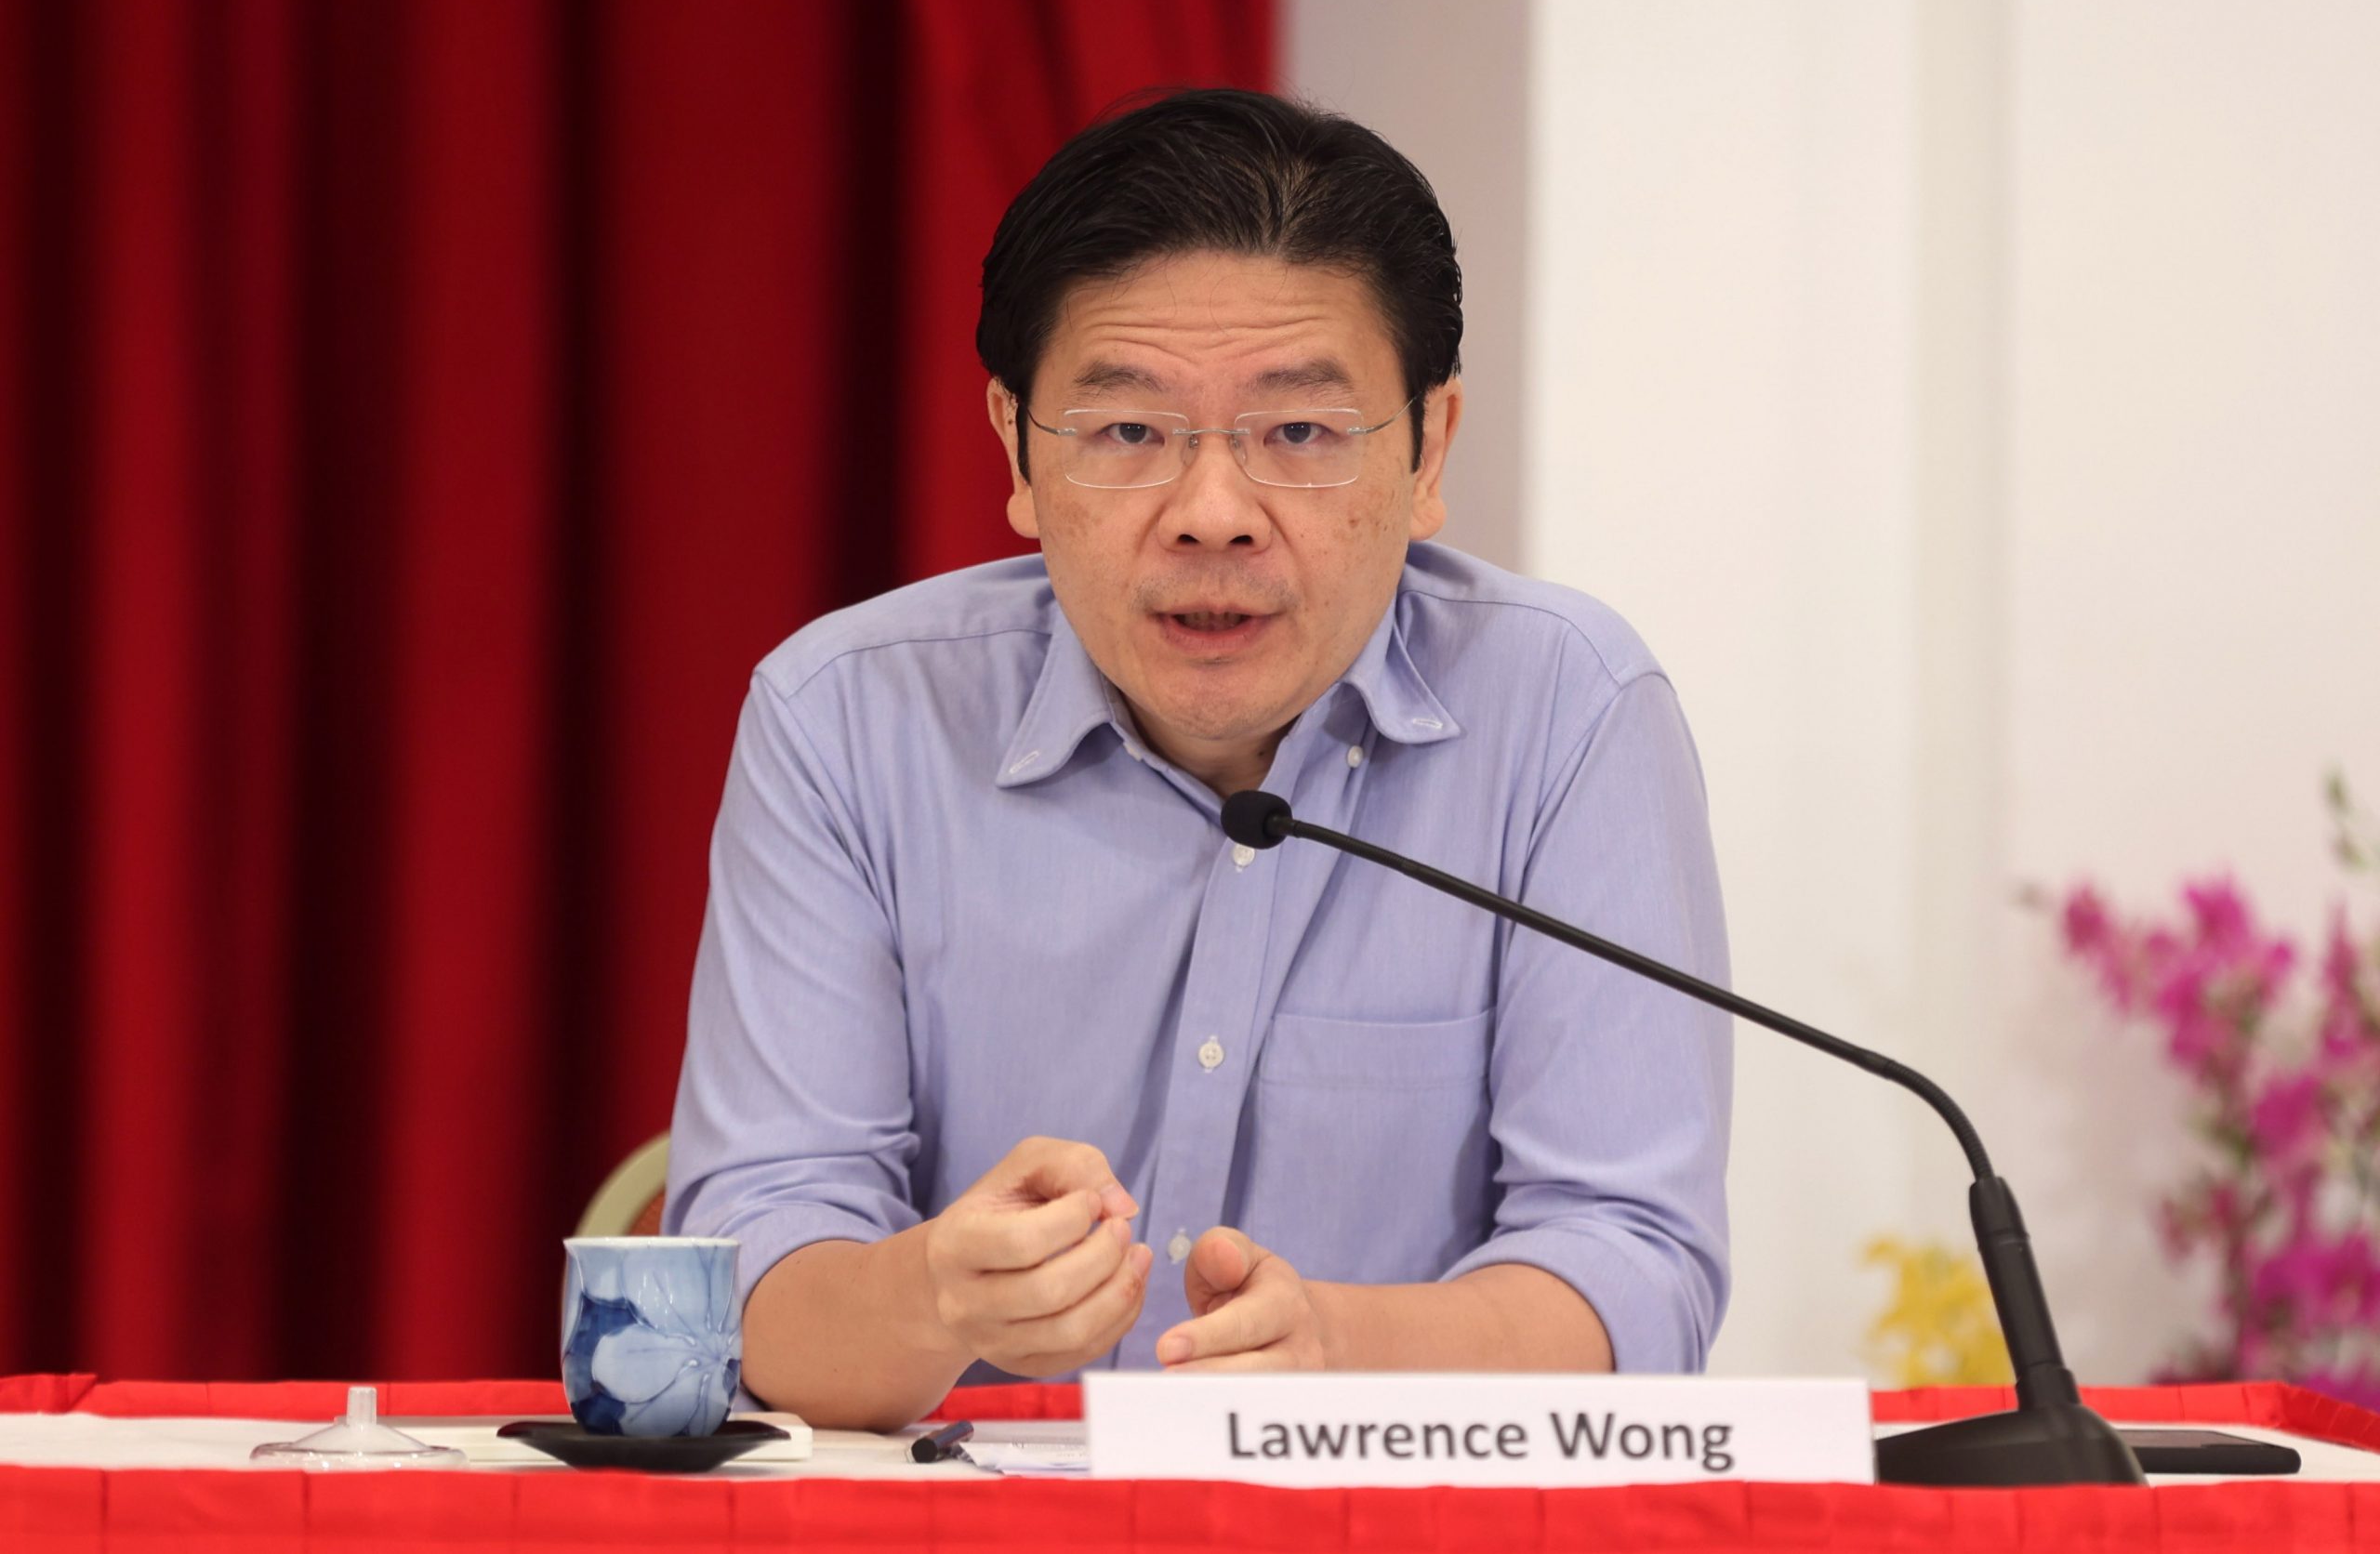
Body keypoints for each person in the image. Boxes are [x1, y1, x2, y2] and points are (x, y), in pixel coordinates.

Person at [663, 89, 1731, 1431]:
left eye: (1300, 433)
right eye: (1128, 433)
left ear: (1430, 448)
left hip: (1394, 1517)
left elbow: (1635, 1265)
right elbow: (753, 1280)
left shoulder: (1568, 710)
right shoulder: (849, 718)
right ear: (1016, 449)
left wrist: (1344, 1359)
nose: (1212, 515)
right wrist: (936, 1299)